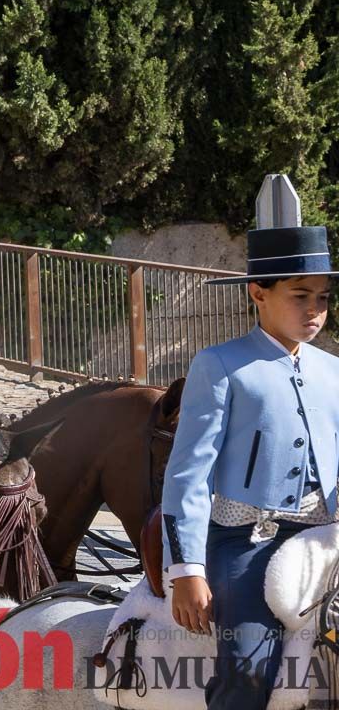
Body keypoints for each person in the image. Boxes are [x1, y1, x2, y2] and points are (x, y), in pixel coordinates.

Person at [163, 176, 339, 710]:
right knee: (248, 670)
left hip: (328, 535)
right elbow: (188, 474)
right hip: (247, 544)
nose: (314, 310)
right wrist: (187, 570)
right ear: (258, 292)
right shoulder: (219, 365)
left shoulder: (333, 369)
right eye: (299, 296)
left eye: (324, 299)